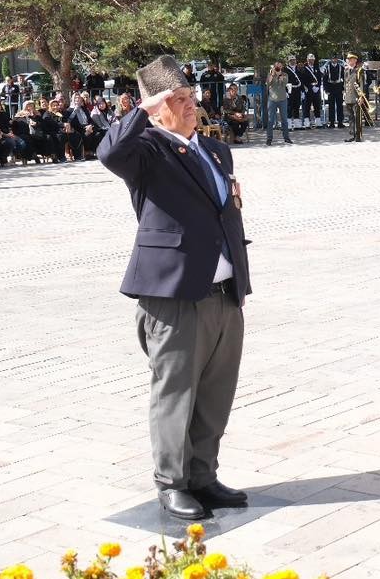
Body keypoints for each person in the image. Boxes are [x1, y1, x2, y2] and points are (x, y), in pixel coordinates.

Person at [99, 54, 251, 521]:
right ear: (156, 107)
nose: (189, 105)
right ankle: (171, 482)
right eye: (177, 99)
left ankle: (203, 475)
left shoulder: (215, 150)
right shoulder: (146, 151)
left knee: (215, 394)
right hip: (175, 296)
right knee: (176, 395)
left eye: (189, 96)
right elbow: (109, 154)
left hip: (224, 292)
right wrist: (144, 109)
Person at [264, 61, 293, 146]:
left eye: (280, 66)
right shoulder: (270, 74)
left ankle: (286, 137)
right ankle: (269, 138)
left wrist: (280, 77)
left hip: (282, 99)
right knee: (270, 120)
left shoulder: (285, 74)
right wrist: (273, 74)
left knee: (284, 119)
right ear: (274, 67)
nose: (278, 67)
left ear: (282, 67)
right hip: (272, 99)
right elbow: (268, 83)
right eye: (277, 66)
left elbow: (284, 84)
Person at [340, 53, 365, 143]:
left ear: (355, 60)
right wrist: (344, 92)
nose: (349, 61)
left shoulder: (359, 70)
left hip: (356, 97)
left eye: (351, 59)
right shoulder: (346, 70)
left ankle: (358, 136)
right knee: (350, 117)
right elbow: (345, 83)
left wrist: (361, 96)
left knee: (357, 117)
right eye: (348, 59)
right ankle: (352, 135)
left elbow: (361, 84)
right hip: (348, 96)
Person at [295, 55, 321, 130]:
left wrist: (318, 86)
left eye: (312, 59)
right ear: (307, 60)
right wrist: (305, 88)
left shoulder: (316, 67)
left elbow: (319, 78)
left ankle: (318, 122)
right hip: (308, 89)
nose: (311, 61)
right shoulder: (304, 68)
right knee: (306, 106)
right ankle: (306, 123)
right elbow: (301, 79)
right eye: (309, 59)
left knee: (317, 105)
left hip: (316, 89)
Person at [322, 55, 345, 129]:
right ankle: (331, 123)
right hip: (331, 88)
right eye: (333, 58)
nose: (334, 60)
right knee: (331, 106)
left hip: (339, 88)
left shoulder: (341, 67)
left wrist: (343, 88)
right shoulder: (327, 67)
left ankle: (340, 122)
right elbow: (325, 79)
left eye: (335, 58)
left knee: (340, 106)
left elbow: (344, 78)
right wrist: (326, 89)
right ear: (331, 59)